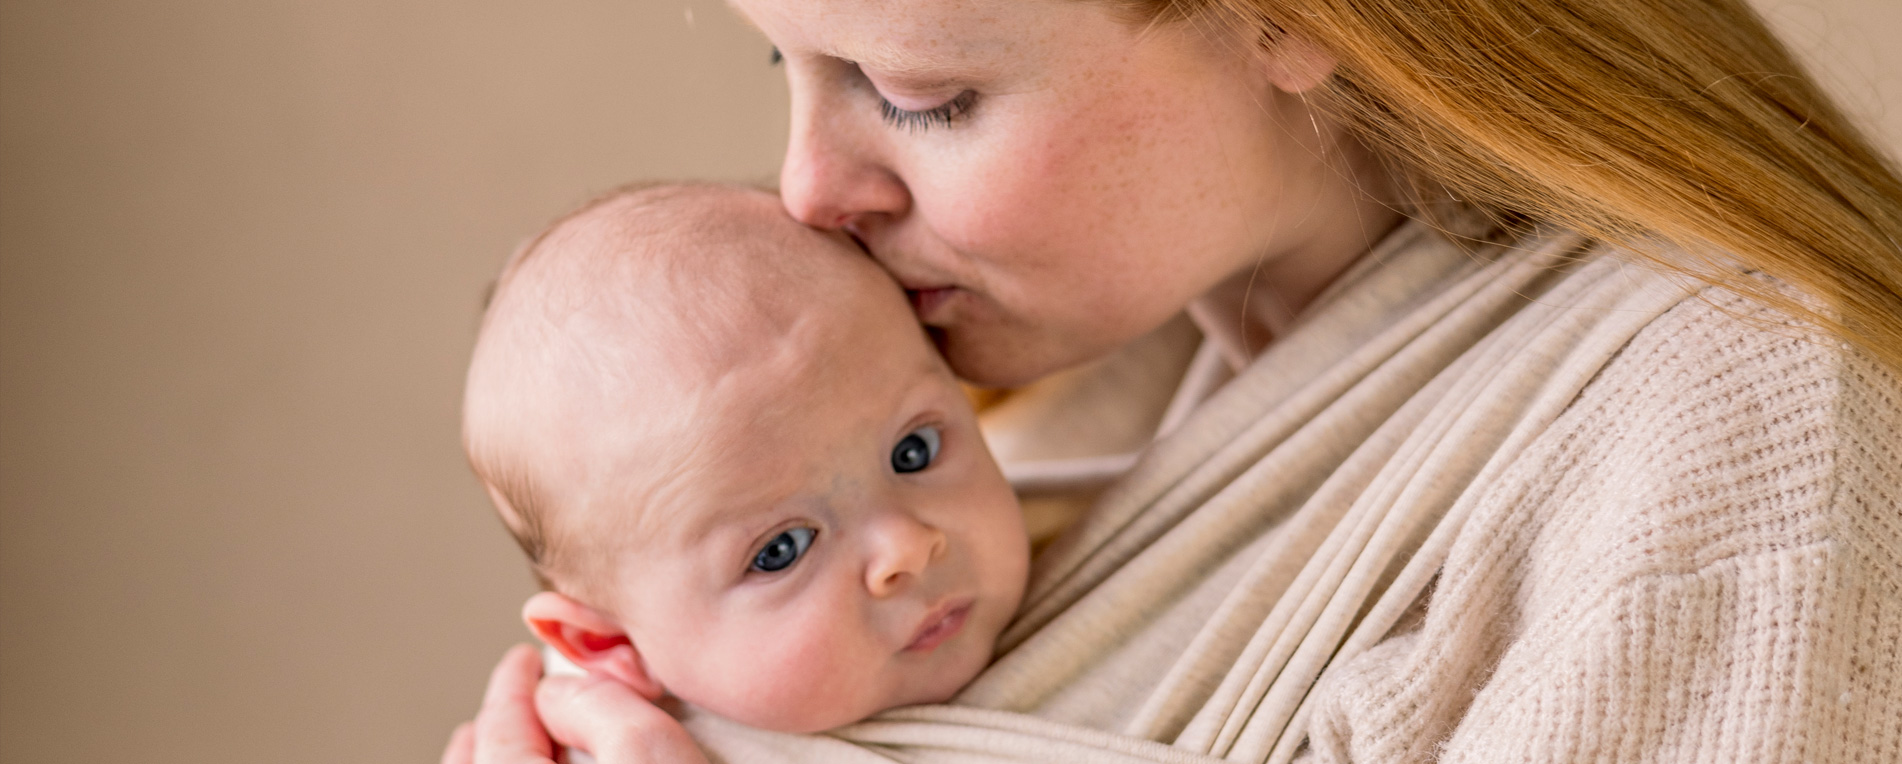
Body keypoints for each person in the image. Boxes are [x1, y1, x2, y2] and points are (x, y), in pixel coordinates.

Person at [446, 0, 1902, 761]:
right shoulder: (1044, 418)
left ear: (1285, 13)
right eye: (786, 59)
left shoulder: (1738, 455)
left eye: (917, 95)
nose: (810, 190)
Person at [459, 183, 1030, 758]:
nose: (906, 546)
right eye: (781, 549)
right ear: (612, 644)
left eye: (915, 450)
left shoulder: (1087, 519)